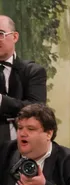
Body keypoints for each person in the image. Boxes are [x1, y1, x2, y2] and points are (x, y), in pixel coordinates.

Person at [0, 15, 46, 143]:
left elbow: (37, 108)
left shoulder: (33, 71)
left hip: (23, 146)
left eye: (0, 34)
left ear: (15, 37)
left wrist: (1, 101)